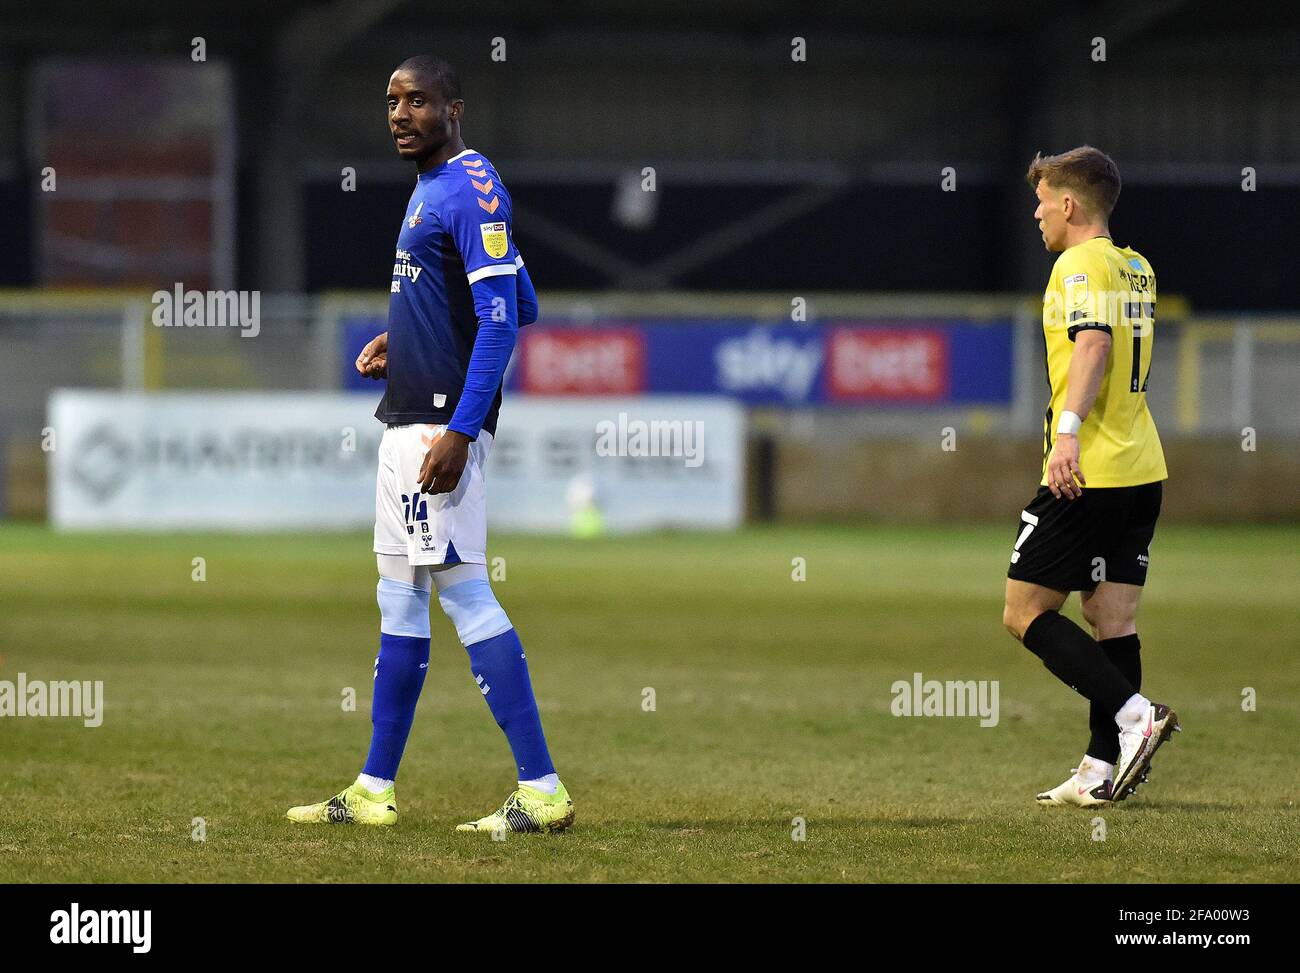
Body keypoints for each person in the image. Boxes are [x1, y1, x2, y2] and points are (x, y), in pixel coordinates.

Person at [287, 55, 573, 834]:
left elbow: (508, 323)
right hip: (410, 408)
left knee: (465, 592)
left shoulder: (468, 186)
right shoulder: (439, 185)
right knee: (399, 593)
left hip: (434, 426)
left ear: (454, 109)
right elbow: (523, 295)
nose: (400, 113)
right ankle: (374, 788)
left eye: (417, 100)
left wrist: (460, 428)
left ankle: (542, 787)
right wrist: (408, 338)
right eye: (390, 101)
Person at [1002, 145, 1179, 807]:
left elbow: (1094, 344)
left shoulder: (1077, 264)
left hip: (1091, 469)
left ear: (1069, 204)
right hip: (1142, 466)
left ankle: (1136, 715)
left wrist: (1067, 434)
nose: (1038, 214)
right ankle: (1099, 770)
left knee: (1024, 612)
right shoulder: (1136, 267)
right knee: (1112, 616)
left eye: (1042, 201)